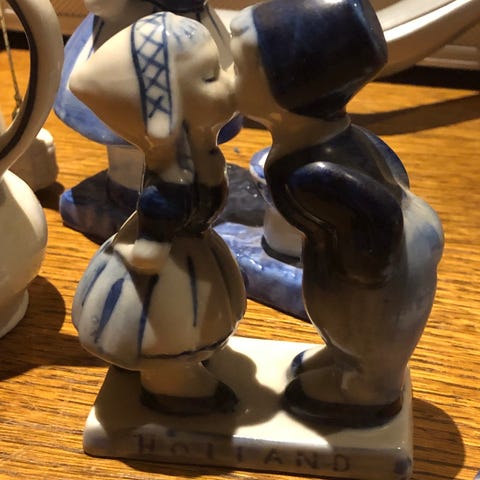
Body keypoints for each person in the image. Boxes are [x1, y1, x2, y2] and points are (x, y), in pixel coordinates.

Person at [230, 0, 444, 426]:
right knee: (341, 317)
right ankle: (344, 358)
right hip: (381, 256)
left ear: (288, 86)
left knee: (361, 326)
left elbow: (377, 231)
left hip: (378, 283)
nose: (228, 78)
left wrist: (352, 275)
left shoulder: (313, 172)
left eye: (237, 69)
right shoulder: (344, 138)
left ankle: (368, 385)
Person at [70, 12, 245, 415]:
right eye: (210, 77)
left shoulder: (197, 158)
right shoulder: (169, 186)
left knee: (191, 320)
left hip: (191, 250)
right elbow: (149, 254)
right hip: (167, 270)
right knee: (168, 327)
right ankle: (170, 381)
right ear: (162, 111)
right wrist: (142, 248)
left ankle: (172, 353)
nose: (229, 81)